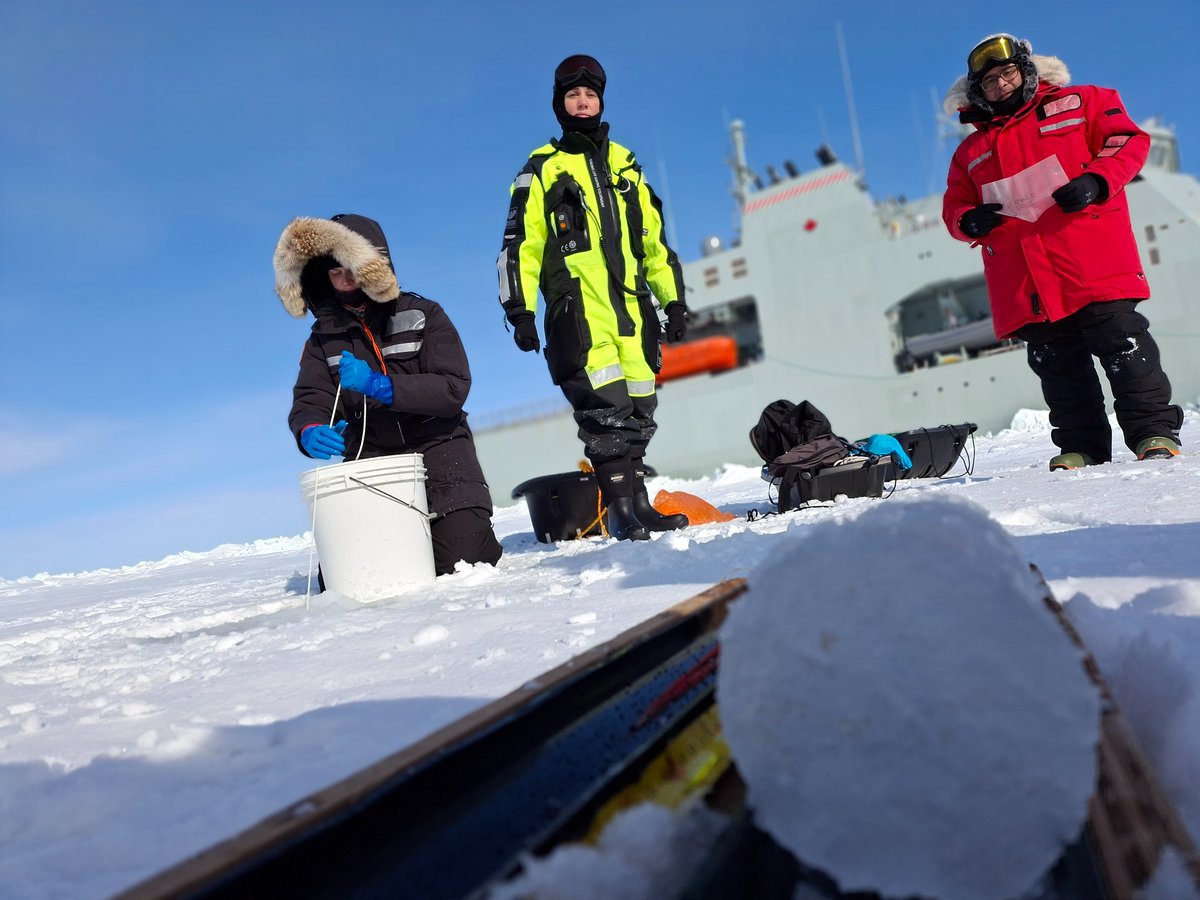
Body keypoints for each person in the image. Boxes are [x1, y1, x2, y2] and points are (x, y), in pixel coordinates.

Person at [942, 33, 1183, 471]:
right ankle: (1081, 447)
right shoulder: (970, 152)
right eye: (989, 81)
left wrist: (1096, 181)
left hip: (1090, 262)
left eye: (1007, 73)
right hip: (1026, 280)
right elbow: (954, 204)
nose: (1000, 85)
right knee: (1058, 369)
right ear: (978, 91)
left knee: (1123, 346)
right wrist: (968, 220)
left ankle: (1153, 432)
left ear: (1028, 69)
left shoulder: (1085, 101)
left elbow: (1126, 141)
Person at [496, 54, 690, 540]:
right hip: (580, 313)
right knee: (604, 413)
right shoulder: (541, 168)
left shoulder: (626, 164)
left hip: (632, 310)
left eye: (591, 94)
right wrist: (518, 309)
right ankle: (620, 511)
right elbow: (521, 244)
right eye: (572, 95)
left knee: (640, 411)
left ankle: (639, 505)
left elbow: (654, 243)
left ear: (600, 101)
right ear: (559, 105)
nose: (583, 102)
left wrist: (673, 302)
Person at [275, 213, 502, 575]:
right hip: (370, 454)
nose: (345, 280)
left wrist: (381, 385)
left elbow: (452, 388)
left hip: (439, 447)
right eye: (335, 273)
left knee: (464, 561)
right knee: (355, 573)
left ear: (373, 264)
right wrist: (309, 428)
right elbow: (311, 397)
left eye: (351, 269)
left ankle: (458, 528)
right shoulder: (322, 339)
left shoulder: (424, 314)